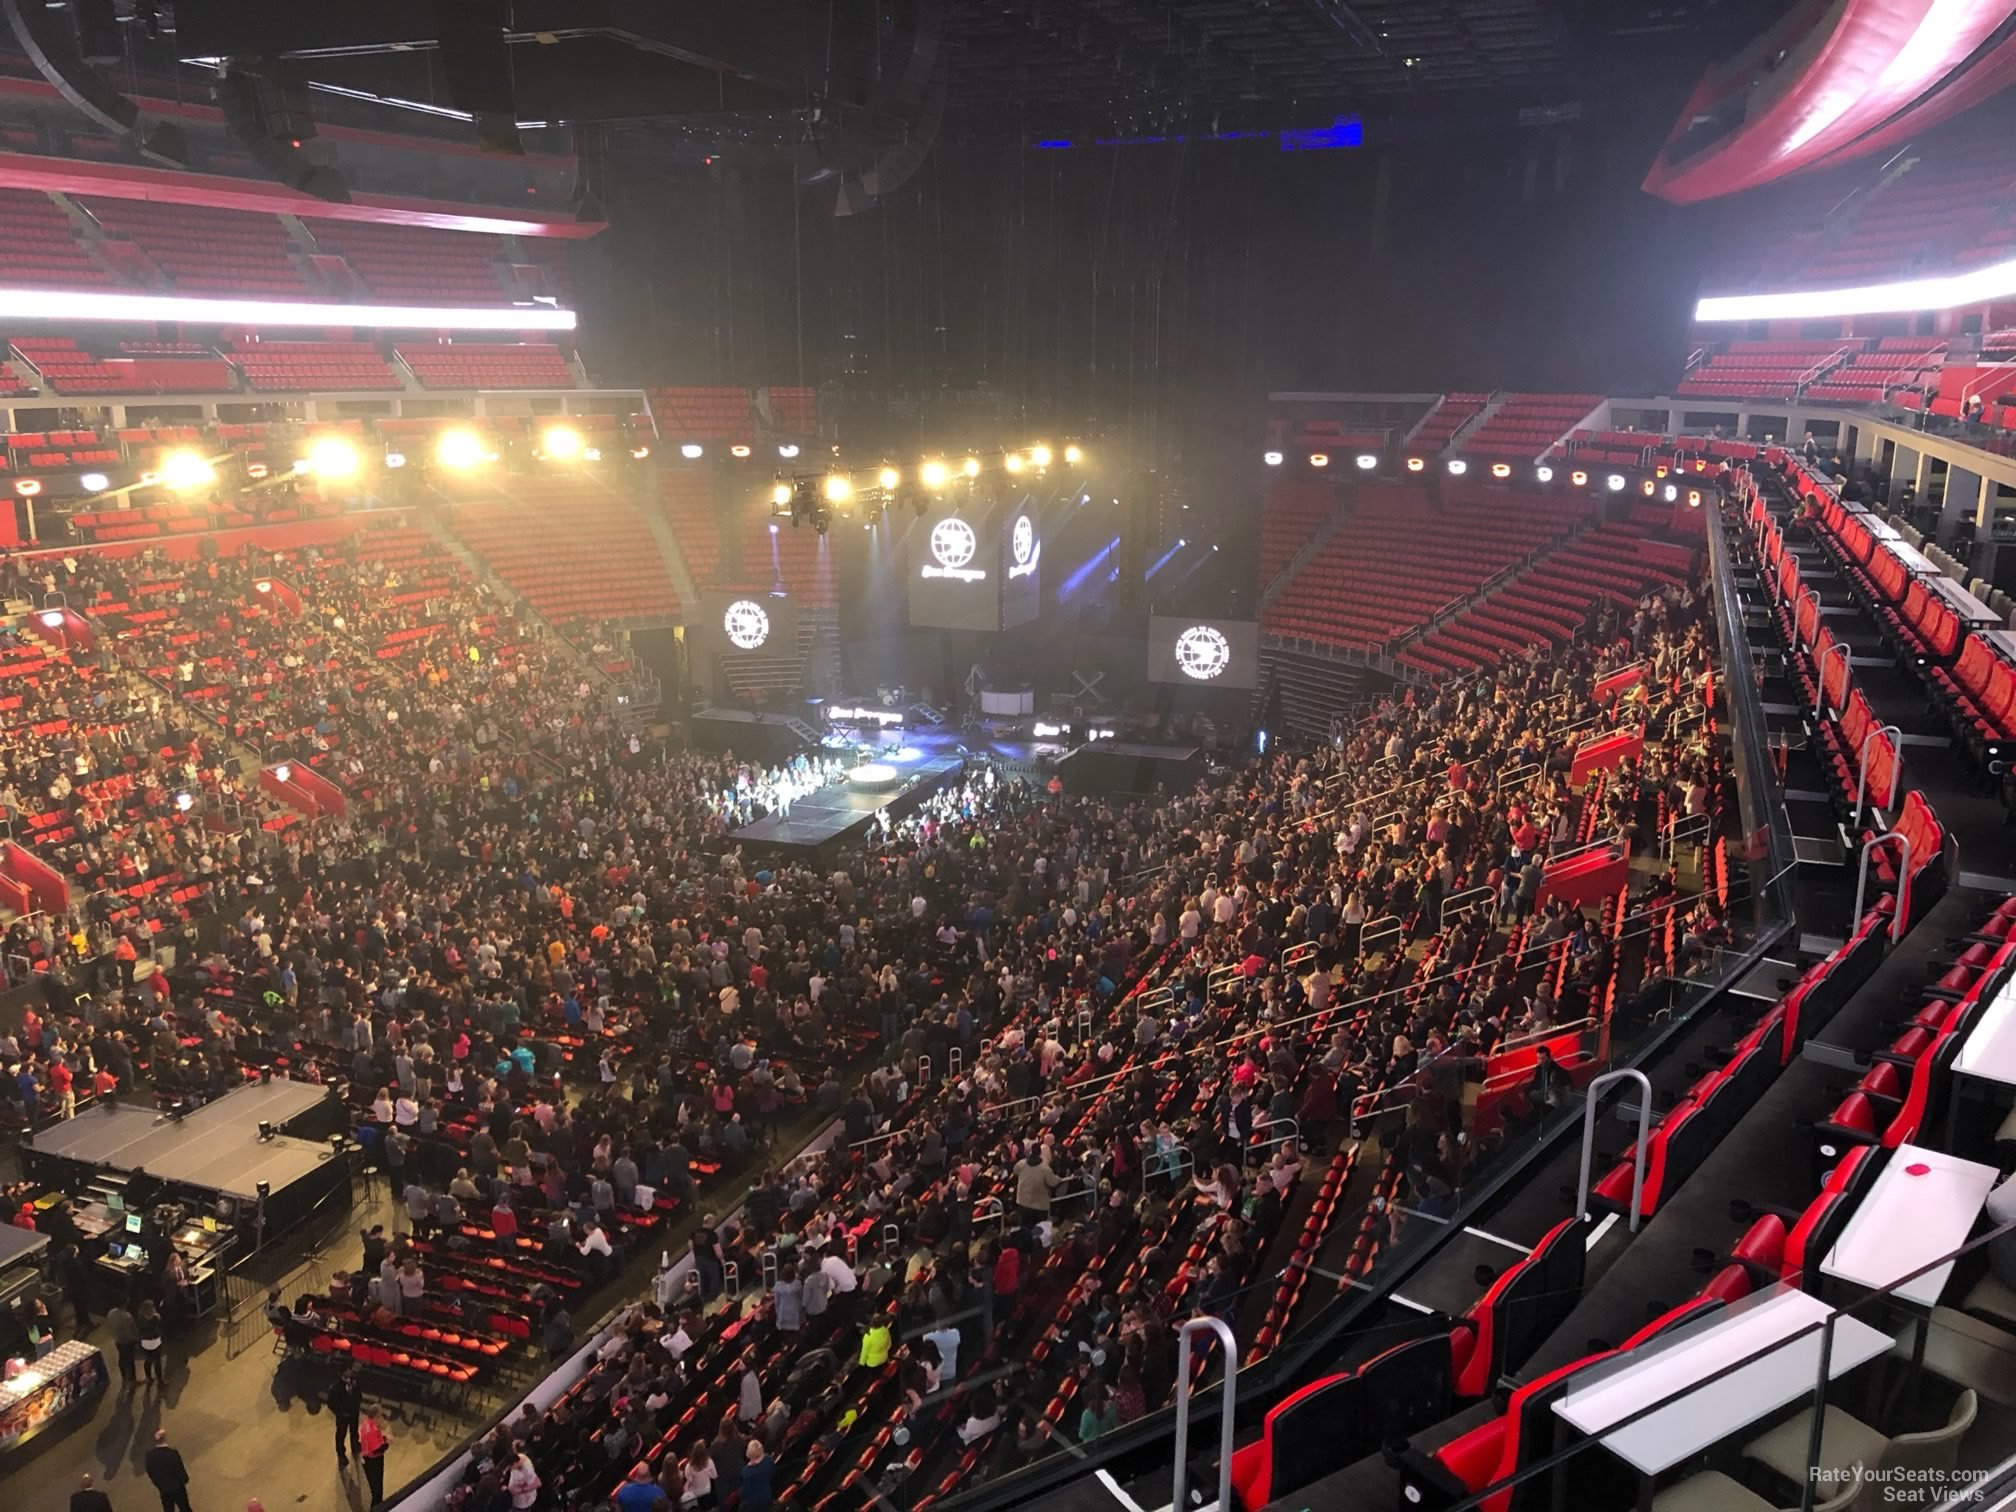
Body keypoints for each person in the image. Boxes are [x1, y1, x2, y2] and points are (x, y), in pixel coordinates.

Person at [145, 1429, 193, 1512]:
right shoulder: (172, 1454)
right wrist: (184, 1480)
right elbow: (179, 1470)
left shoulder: (149, 1456)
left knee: (168, 1509)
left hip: (163, 1489)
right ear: (164, 1439)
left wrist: (159, 1484)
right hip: (177, 1488)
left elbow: (150, 1471)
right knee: (185, 1508)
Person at [329, 1361, 363, 1467]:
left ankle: (355, 1445)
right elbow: (331, 1404)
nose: (350, 1371)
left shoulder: (354, 1380)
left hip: (353, 1412)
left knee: (354, 1430)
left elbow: (358, 1392)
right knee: (341, 1435)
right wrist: (342, 1413)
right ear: (342, 1373)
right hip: (343, 1416)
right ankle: (341, 1454)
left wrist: (357, 1403)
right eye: (348, 1370)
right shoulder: (335, 1388)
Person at [359, 1410, 391, 1506]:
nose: (383, 1421)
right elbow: (377, 1449)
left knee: (375, 1489)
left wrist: (384, 1438)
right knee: (377, 1492)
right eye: (381, 1417)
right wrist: (387, 1443)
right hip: (373, 1461)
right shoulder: (372, 1430)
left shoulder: (367, 1425)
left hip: (367, 1459)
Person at [106, 1300, 140, 1386]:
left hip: (118, 1340)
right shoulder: (126, 1317)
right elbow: (129, 1333)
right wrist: (137, 1339)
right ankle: (132, 1380)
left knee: (121, 1359)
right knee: (130, 1361)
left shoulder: (111, 1313)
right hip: (127, 1342)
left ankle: (124, 1378)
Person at [738, 1438, 774, 1511]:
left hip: (753, 1502)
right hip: (766, 1496)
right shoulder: (768, 1460)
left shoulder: (747, 1471)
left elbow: (745, 1491)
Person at [138, 1300, 166, 1384]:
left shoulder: (140, 1318)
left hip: (144, 1342)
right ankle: (160, 1381)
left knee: (147, 1360)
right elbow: (159, 1327)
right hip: (154, 1341)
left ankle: (148, 1378)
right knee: (157, 1361)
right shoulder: (155, 1318)